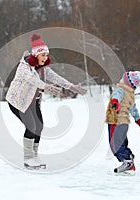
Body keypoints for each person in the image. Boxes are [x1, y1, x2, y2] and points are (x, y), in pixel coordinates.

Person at [6, 33, 87, 170]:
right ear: (35, 55)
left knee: (39, 126)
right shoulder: (24, 66)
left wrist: (71, 86)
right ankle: (28, 159)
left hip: (33, 102)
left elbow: (56, 77)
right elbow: (32, 79)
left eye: (46, 55)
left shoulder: (43, 68)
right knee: (31, 126)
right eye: (43, 55)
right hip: (18, 101)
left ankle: (34, 155)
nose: (45, 58)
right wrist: (46, 87)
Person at [105, 71, 140, 174]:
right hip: (124, 123)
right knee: (122, 143)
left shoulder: (121, 89)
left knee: (114, 144)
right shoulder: (130, 95)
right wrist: (139, 121)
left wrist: (115, 102)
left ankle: (127, 161)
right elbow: (133, 109)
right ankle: (128, 158)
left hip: (115, 120)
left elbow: (117, 96)